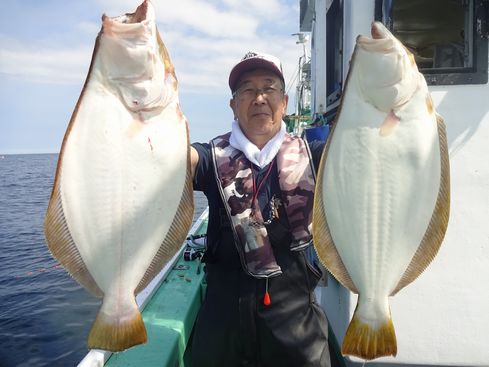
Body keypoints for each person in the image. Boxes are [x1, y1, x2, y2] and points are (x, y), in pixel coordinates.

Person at [189, 51, 331, 367]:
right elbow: (177, 161)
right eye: (248, 90)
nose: (259, 98)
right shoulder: (211, 156)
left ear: (284, 101)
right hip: (223, 318)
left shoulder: (316, 154)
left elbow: (361, 154)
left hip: (295, 319)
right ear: (234, 104)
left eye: (269, 88)